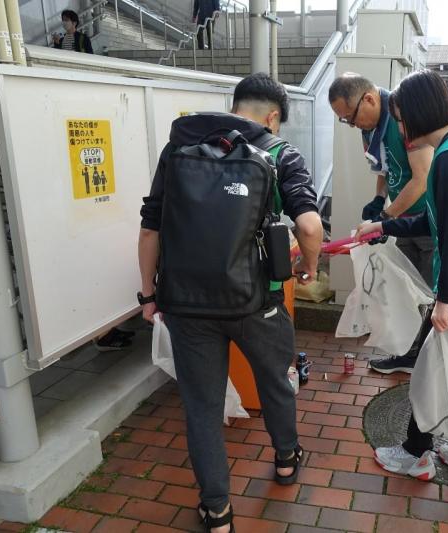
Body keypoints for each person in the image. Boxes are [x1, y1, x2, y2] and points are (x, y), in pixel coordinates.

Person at [138, 73, 322, 532]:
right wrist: (310, 268)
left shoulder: (178, 150)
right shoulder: (280, 153)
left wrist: (148, 295)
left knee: (201, 406)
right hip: (256, 301)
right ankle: (285, 460)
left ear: (234, 105)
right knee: (277, 382)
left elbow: (150, 229)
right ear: (273, 116)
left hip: (186, 305)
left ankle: (217, 511)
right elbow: (311, 227)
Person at [355, 69, 448, 481]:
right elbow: (437, 221)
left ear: (418, 113)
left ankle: (417, 454)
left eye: (401, 119)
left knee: (430, 369)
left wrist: (443, 300)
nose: (401, 129)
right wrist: (383, 226)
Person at [328, 73, 434, 375]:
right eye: (344, 121)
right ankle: (407, 352)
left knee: (427, 293)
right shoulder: (371, 127)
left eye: (350, 118)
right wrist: (379, 201)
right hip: (404, 221)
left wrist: (385, 219)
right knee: (404, 291)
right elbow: (385, 169)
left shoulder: (405, 118)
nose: (351, 125)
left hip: (426, 222)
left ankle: (428, 360)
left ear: (370, 99)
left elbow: (422, 178)